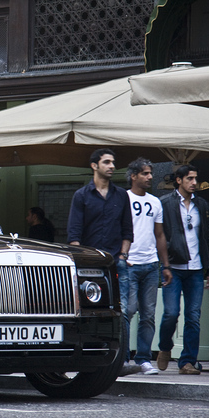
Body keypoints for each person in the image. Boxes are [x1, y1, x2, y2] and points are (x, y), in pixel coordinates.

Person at [67, 148, 134, 376]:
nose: (112, 166)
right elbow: (74, 235)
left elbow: (128, 231)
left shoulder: (122, 195)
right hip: (89, 267)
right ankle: (86, 357)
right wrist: (80, 263)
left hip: (116, 263)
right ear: (94, 166)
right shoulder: (82, 196)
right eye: (107, 162)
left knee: (122, 312)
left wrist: (123, 256)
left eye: (113, 162)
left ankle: (120, 362)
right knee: (89, 312)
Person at [157, 164, 209, 375]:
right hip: (173, 267)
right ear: (179, 180)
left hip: (196, 268)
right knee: (171, 314)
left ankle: (187, 362)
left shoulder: (202, 204)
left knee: (193, 316)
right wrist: (163, 264)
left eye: (196, 178)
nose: (194, 183)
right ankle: (164, 347)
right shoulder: (164, 203)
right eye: (190, 179)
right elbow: (159, 236)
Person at [123, 158, 172, 375]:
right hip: (130, 264)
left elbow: (159, 234)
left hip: (151, 264)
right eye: (145, 173)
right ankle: (123, 358)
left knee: (149, 314)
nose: (150, 177)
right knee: (128, 311)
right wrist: (121, 257)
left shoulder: (155, 202)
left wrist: (165, 265)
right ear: (133, 176)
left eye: (151, 173)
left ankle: (143, 359)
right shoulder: (123, 198)